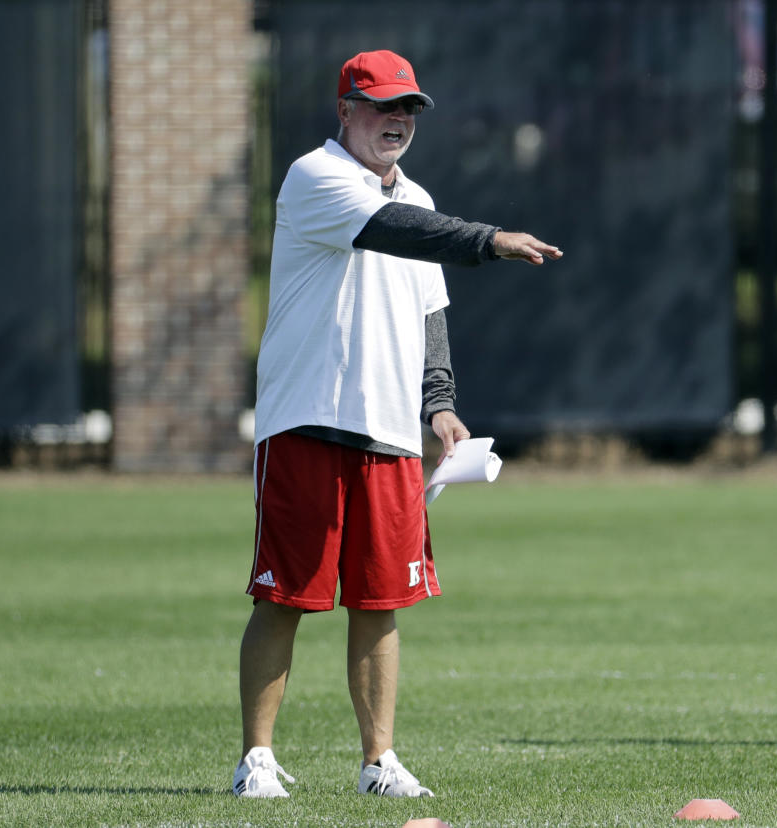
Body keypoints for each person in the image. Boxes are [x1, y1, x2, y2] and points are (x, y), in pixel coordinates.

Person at [233, 50, 562, 799]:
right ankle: (256, 759)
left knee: (382, 601)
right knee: (284, 596)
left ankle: (378, 762)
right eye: (381, 107)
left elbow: (427, 312)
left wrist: (439, 405)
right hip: (307, 417)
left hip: (387, 430)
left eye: (408, 109)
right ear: (344, 111)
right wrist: (490, 239)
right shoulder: (313, 177)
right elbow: (401, 232)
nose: (397, 121)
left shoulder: (417, 194)